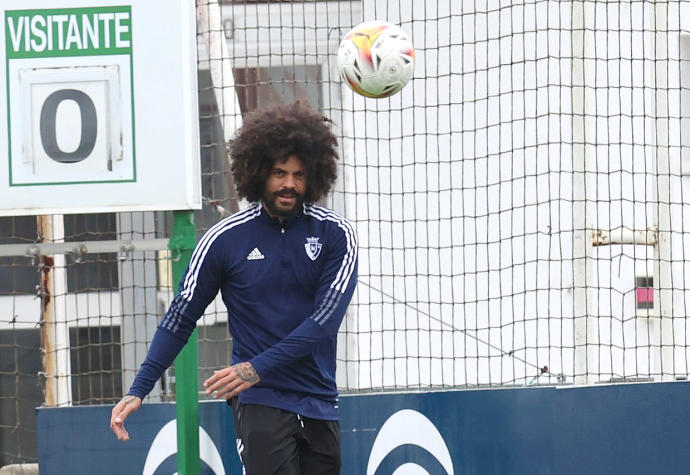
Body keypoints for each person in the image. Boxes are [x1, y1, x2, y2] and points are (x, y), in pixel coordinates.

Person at [109, 101, 358, 475]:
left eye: (299, 174)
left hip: (320, 399)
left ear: (314, 176)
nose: (289, 183)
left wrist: (255, 367)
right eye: (278, 172)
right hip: (260, 401)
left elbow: (322, 324)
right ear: (257, 172)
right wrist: (139, 387)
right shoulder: (224, 240)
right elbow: (180, 317)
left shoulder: (336, 235)